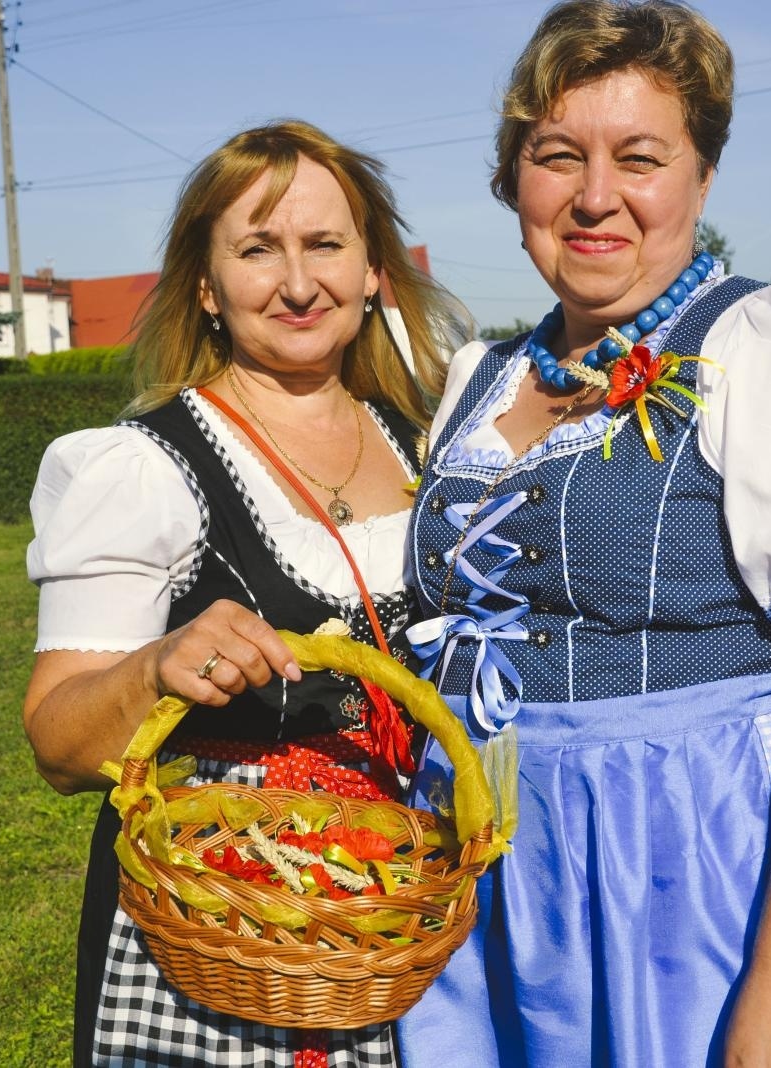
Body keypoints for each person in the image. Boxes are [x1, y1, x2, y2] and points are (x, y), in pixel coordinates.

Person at [396, 3, 771, 1065]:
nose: (594, 197)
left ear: (701, 178)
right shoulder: (473, 384)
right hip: (494, 887)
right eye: (556, 156)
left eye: (640, 157)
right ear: (510, 180)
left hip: (698, 874)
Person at [23, 120, 455, 1067]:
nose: (298, 284)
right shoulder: (141, 471)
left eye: (325, 245)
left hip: (412, 929)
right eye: (259, 249)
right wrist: (154, 669)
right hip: (230, 922)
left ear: (375, 270)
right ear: (209, 288)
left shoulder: (431, 444)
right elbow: (58, 742)